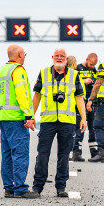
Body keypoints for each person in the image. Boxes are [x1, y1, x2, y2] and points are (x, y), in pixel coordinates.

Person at [30, 47, 87, 198]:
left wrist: (84, 118)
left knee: (64, 155)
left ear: (67, 59)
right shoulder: (43, 73)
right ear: (52, 57)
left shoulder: (74, 75)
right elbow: (37, 96)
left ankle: (61, 187)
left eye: (62, 56)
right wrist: (30, 115)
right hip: (48, 121)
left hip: (67, 121)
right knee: (42, 154)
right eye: (57, 56)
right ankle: (37, 187)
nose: (60, 58)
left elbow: (79, 98)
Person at [0, 44, 37, 198]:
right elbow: (22, 94)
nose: (24, 56)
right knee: (20, 153)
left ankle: (9, 188)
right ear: (19, 54)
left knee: (7, 154)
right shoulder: (17, 70)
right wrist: (28, 116)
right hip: (15, 118)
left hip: (2, 118)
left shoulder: (1, 71)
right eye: (24, 54)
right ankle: (20, 189)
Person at [73, 52, 101, 162]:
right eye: (90, 64)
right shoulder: (78, 69)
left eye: (94, 65)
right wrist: (84, 81)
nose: (92, 67)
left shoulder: (94, 70)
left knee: (92, 127)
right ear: (86, 59)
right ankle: (76, 152)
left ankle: (94, 153)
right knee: (80, 126)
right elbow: (72, 81)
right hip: (81, 101)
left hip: (92, 101)